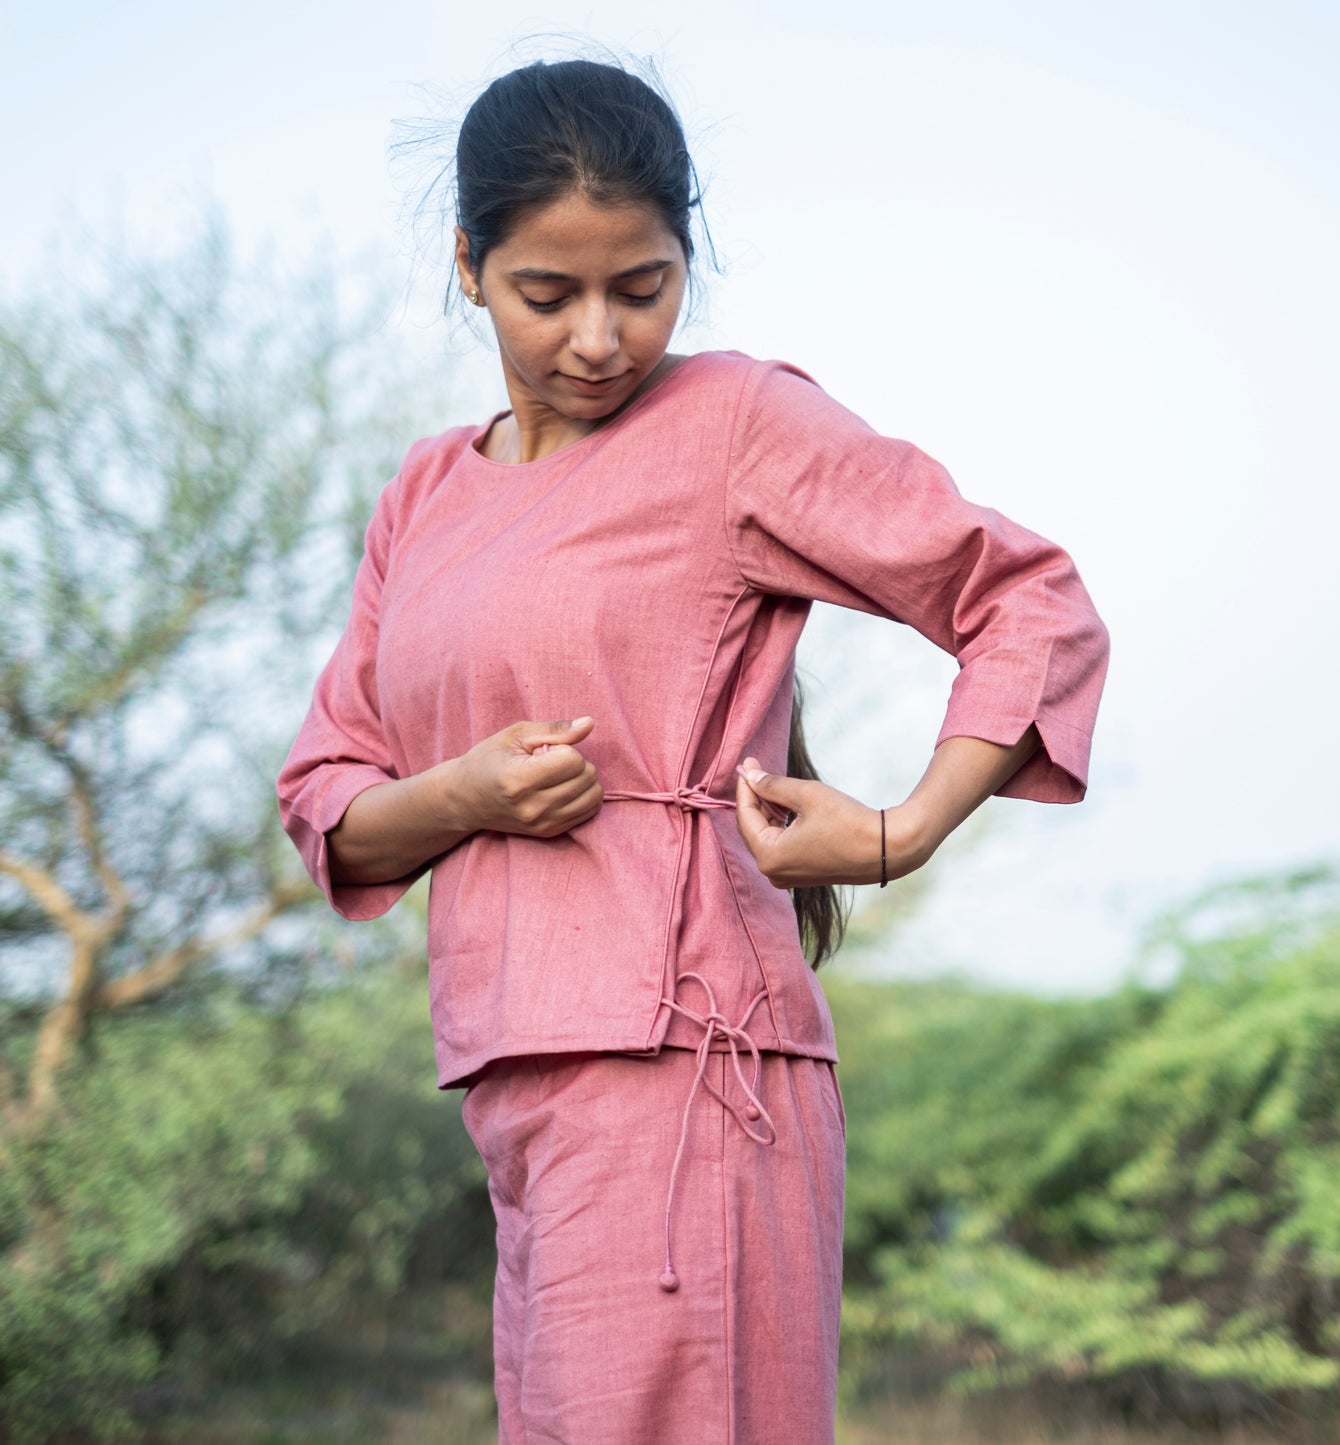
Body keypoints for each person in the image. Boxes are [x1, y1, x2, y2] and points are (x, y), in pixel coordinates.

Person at [278, 55, 1109, 1445]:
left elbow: (1025, 598)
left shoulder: (733, 422)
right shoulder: (424, 492)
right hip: (511, 1071)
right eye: (549, 293)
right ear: (470, 265)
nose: (598, 337)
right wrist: (461, 792)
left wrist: (903, 827)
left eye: (643, 286)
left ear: (686, 259)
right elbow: (328, 797)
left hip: (686, 1061)